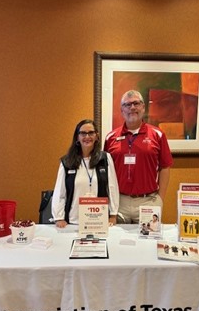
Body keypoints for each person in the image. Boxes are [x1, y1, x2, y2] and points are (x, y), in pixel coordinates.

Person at [104, 89, 173, 224]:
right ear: (121, 110)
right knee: (117, 242)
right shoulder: (111, 137)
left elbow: (165, 167)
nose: (132, 108)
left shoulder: (157, 135)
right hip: (119, 202)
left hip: (148, 201)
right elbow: (105, 171)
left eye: (136, 103)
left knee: (148, 244)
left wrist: (160, 199)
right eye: (127, 105)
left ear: (143, 107)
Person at [52, 119, 119, 228]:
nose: (87, 137)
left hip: (99, 221)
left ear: (97, 136)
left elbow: (112, 188)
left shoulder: (105, 158)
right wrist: (59, 217)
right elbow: (60, 192)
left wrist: (113, 214)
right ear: (77, 137)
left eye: (91, 133)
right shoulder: (67, 161)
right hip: (73, 222)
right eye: (83, 133)